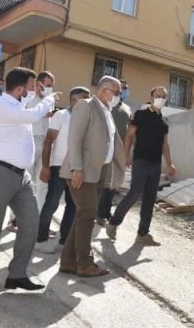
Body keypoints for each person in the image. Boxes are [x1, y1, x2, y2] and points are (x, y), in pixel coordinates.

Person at [0, 67, 60, 299]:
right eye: (32, 86)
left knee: (30, 222)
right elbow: (32, 115)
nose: (35, 90)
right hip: (0, 173)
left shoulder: (18, 107)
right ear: (19, 89)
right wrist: (48, 101)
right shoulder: (2, 105)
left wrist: (42, 111)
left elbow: (29, 118)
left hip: (21, 176)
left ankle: (17, 275)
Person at [59, 76, 126, 277]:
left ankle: (68, 262)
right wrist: (77, 169)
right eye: (117, 92)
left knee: (83, 215)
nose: (118, 96)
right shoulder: (85, 106)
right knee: (88, 214)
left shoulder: (107, 111)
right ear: (104, 90)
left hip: (97, 172)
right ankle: (84, 263)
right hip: (82, 172)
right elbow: (74, 139)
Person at [106, 86, 176, 246]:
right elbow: (130, 136)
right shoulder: (140, 115)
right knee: (134, 193)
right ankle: (113, 223)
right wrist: (126, 156)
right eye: (158, 95)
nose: (161, 99)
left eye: (163, 96)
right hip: (140, 161)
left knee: (150, 199)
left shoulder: (164, 121)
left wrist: (169, 163)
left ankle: (143, 233)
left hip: (155, 164)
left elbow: (165, 143)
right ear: (151, 97)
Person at [36, 86, 91, 254]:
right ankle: (41, 239)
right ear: (74, 100)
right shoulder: (61, 115)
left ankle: (63, 241)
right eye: (85, 98)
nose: (88, 102)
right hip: (58, 167)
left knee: (72, 206)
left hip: (76, 168)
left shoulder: (86, 118)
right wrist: (46, 167)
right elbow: (48, 142)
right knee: (52, 202)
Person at [7, 70, 56, 232]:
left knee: (43, 184)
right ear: (39, 85)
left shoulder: (50, 102)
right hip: (28, 143)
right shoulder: (27, 99)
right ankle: (13, 219)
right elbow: (29, 116)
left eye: (51, 86)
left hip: (45, 144)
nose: (49, 89)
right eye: (47, 85)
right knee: (22, 183)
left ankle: (38, 222)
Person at [97, 80, 132, 226]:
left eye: (125, 89)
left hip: (119, 152)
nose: (123, 91)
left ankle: (105, 211)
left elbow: (130, 133)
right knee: (100, 183)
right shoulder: (105, 106)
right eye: (121, 89)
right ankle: (97, 212)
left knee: (113, 184)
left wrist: (128, 153)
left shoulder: (127, 109)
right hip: (102, 151)